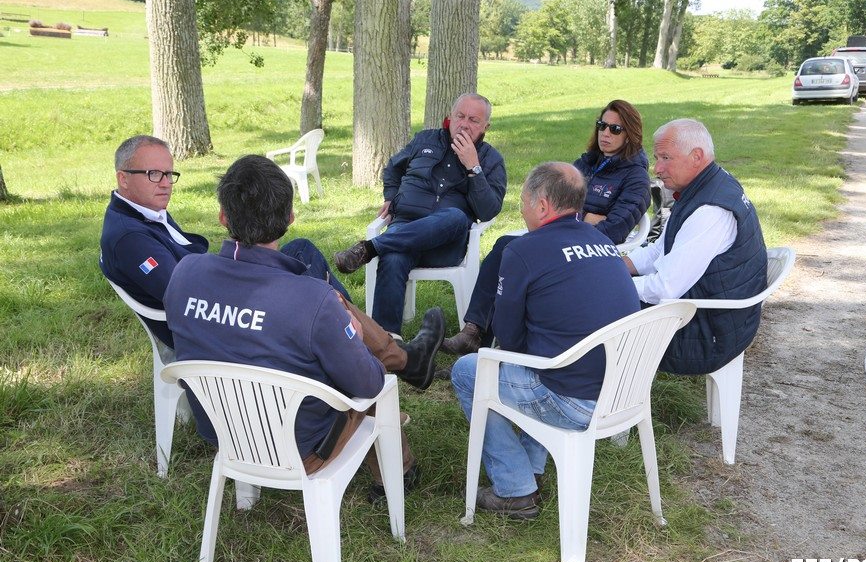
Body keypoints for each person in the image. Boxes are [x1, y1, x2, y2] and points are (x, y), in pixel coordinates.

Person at [99, 135, 444, 390]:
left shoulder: (147, 210)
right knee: (321, 298)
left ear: (223, 217)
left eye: (169, 174)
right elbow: (181, 292)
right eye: (153, 174)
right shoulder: (129, 236)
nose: (165, 184)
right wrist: (240, 274)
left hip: (215, 291)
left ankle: (372, 345)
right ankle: (376, 351)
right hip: (208, 316)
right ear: (123, 178)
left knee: (304, 251)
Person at [163, 154, 417, 493]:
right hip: (303, 449)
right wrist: (355, 342)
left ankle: (405, 362)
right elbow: (368, 385)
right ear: (290, 217)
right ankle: (399, 474)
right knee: (364, 375)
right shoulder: (314, 298)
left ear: (223, 216)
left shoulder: (184, 274)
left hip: (222, 435)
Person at [450, 162, 641, 519]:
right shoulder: (601, 240)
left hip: (575, 401)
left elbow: (507, 337)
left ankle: (514, 488)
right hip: (624, 391)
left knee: (468, 371)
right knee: (547, 356)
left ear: (541, 206)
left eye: (523, 201)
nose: (521, 210)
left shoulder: (523, 250)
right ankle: (532, 468)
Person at [443, 100, 651, 355]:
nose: (605, 134)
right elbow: (555, 203)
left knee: (514, 252)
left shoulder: (636, 178)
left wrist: (576, 223)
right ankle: (474, 331)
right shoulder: (585, 163)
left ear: (630, 134)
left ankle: (487, 344)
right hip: (558, 232)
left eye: (615, 129)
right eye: (602, 126)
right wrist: (586, 217)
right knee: (504, 247)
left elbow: (614, 230)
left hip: (588, 252)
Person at [333, 93, 508, 335]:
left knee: (456, 216)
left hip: (445, 243)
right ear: (450, 116)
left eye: (474, 120)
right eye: (460, 116)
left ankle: (371, 248)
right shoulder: (425, 140)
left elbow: (489, 210)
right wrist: (391, 196)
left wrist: (473, 166)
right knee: (393, 258)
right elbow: (393, 169)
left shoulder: (491, 159)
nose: (465, 124)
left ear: (485, 127)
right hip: (405, 225)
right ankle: (388, 342)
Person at [623, 119, 767, 375]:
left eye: (666, 158)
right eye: (657, 158)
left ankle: (583, 402)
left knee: (593, 311)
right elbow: (660, 248)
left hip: (708, 336)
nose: (657, 168)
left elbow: (664, 289)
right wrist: (619, 266)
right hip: (715, 317)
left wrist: (606, 284)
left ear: (696, 156)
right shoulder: (708, 185)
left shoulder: (709, 211)